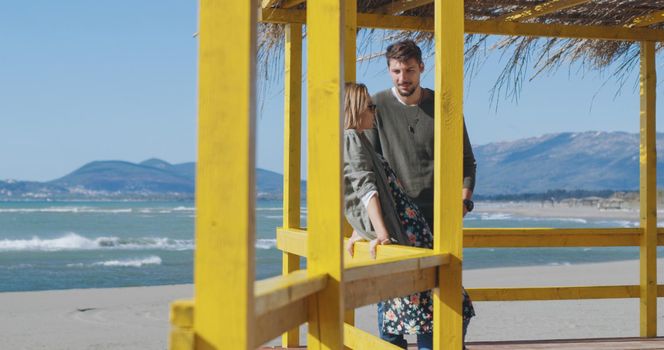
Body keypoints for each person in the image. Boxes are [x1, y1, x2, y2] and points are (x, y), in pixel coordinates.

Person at [364, 39, 477, 349]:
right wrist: (364, 226)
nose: (404, 78)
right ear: (389, 71)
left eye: (410, 70)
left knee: (440, 303)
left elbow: (466, 162)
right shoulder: (376, 106)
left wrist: (463, 202)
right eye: (397, 71)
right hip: (395, 221)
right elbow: (367, 171)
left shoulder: (443, 106)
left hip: (438, 222)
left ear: (422, 68)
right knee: (391, 306)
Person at [343, 82, 436, 350]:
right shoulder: (351, 138)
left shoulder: (358, 138)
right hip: (401, 230)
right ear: (356, 109)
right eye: (370, 107)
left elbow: (367, 193)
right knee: (418, 306)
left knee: (412, 305)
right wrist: (378, 233)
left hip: (405, 228)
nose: (374, 112)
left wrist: (360, 230)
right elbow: (364, 188)